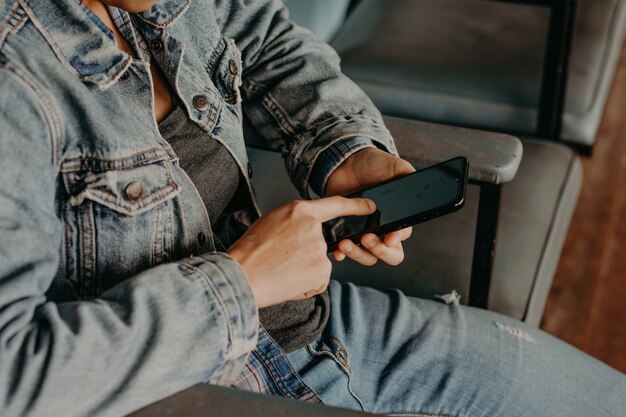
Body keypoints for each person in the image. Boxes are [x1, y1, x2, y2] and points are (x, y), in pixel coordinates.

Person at [0, 0, 624, 416]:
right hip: (193, 390)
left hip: (315, 328)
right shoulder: (15, 81)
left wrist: (345, 147)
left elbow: (264, 38)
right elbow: (15, 377)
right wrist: (240, 283)